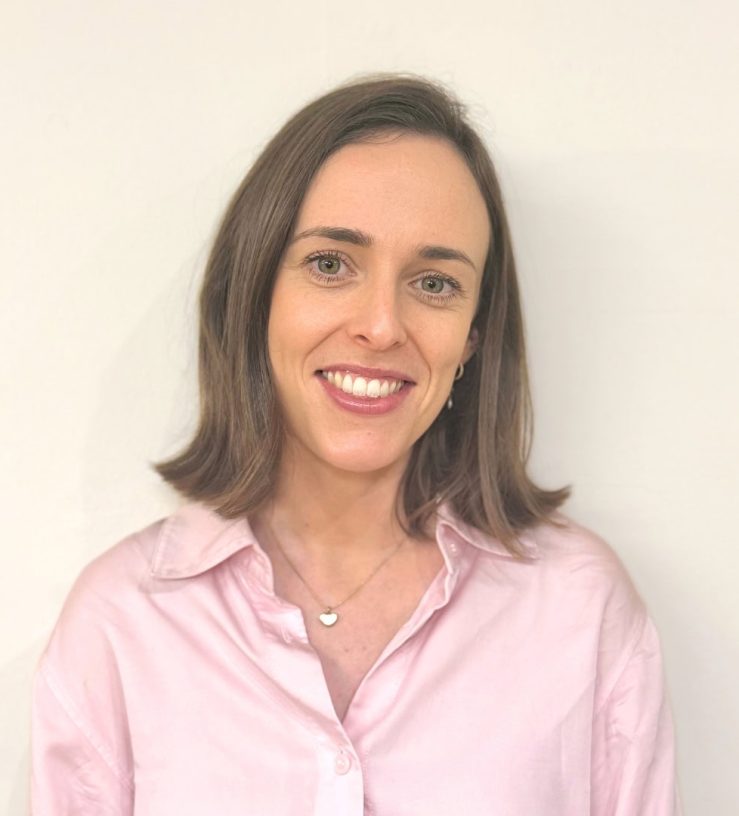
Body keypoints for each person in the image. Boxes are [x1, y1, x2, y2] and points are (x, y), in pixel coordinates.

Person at [31, 75, 680, 814]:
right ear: (254, 296)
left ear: (472, 338)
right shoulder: (121, 625)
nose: (380, 326)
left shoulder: (579, 610)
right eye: (330, 265)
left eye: (434, 282)